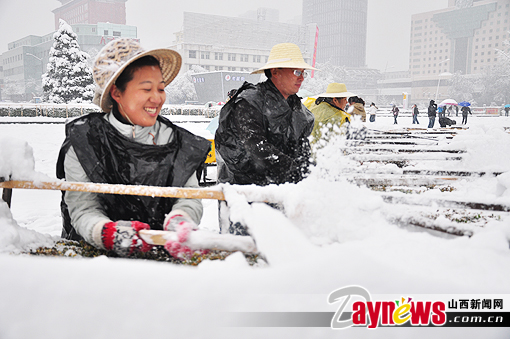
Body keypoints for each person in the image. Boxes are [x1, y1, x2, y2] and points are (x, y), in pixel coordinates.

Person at [56, 38, 211, 258]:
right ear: (117, 93)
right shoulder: (85, 142)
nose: (157, 98)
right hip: (96, 263)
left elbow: (188, 196)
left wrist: (181, 219)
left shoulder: (177, 142)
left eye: (161, 88)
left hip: (163, 259)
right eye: (146, 88)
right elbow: (83, 208)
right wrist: (106, 232)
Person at [214, 43, 316, 235]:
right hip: (245, 196)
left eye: (303, 72)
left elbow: (303, 149)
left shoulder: (299, 110)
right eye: (296, 71)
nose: (301, 77)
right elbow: (255, 148)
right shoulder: (249, 101)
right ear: (275, 72)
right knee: (247, 253)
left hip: (283, 194)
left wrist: (309, 171)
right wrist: (292, 169)